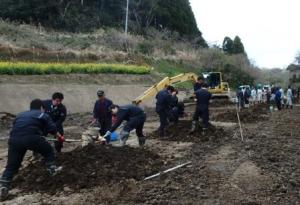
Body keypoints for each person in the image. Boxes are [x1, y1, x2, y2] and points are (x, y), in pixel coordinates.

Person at [0, 99, 62, 201]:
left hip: (14, 139)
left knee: (12, 165)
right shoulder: (43, 115)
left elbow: (17, 126)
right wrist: (60, 137)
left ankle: (4, 186)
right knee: (49, 151)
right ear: (41, 107)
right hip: (31, 138)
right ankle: (53, 170)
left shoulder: (20, 115)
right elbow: (53, 129)